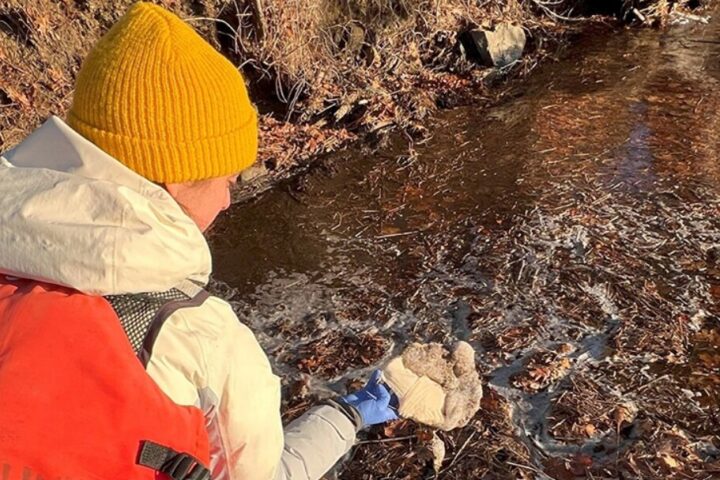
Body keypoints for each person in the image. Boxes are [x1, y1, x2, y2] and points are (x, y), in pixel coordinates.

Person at [0, 3, 398, 480]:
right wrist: (345, 417)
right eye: (228, 180)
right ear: (176, 179)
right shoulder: (201, 336)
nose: (229, 202)